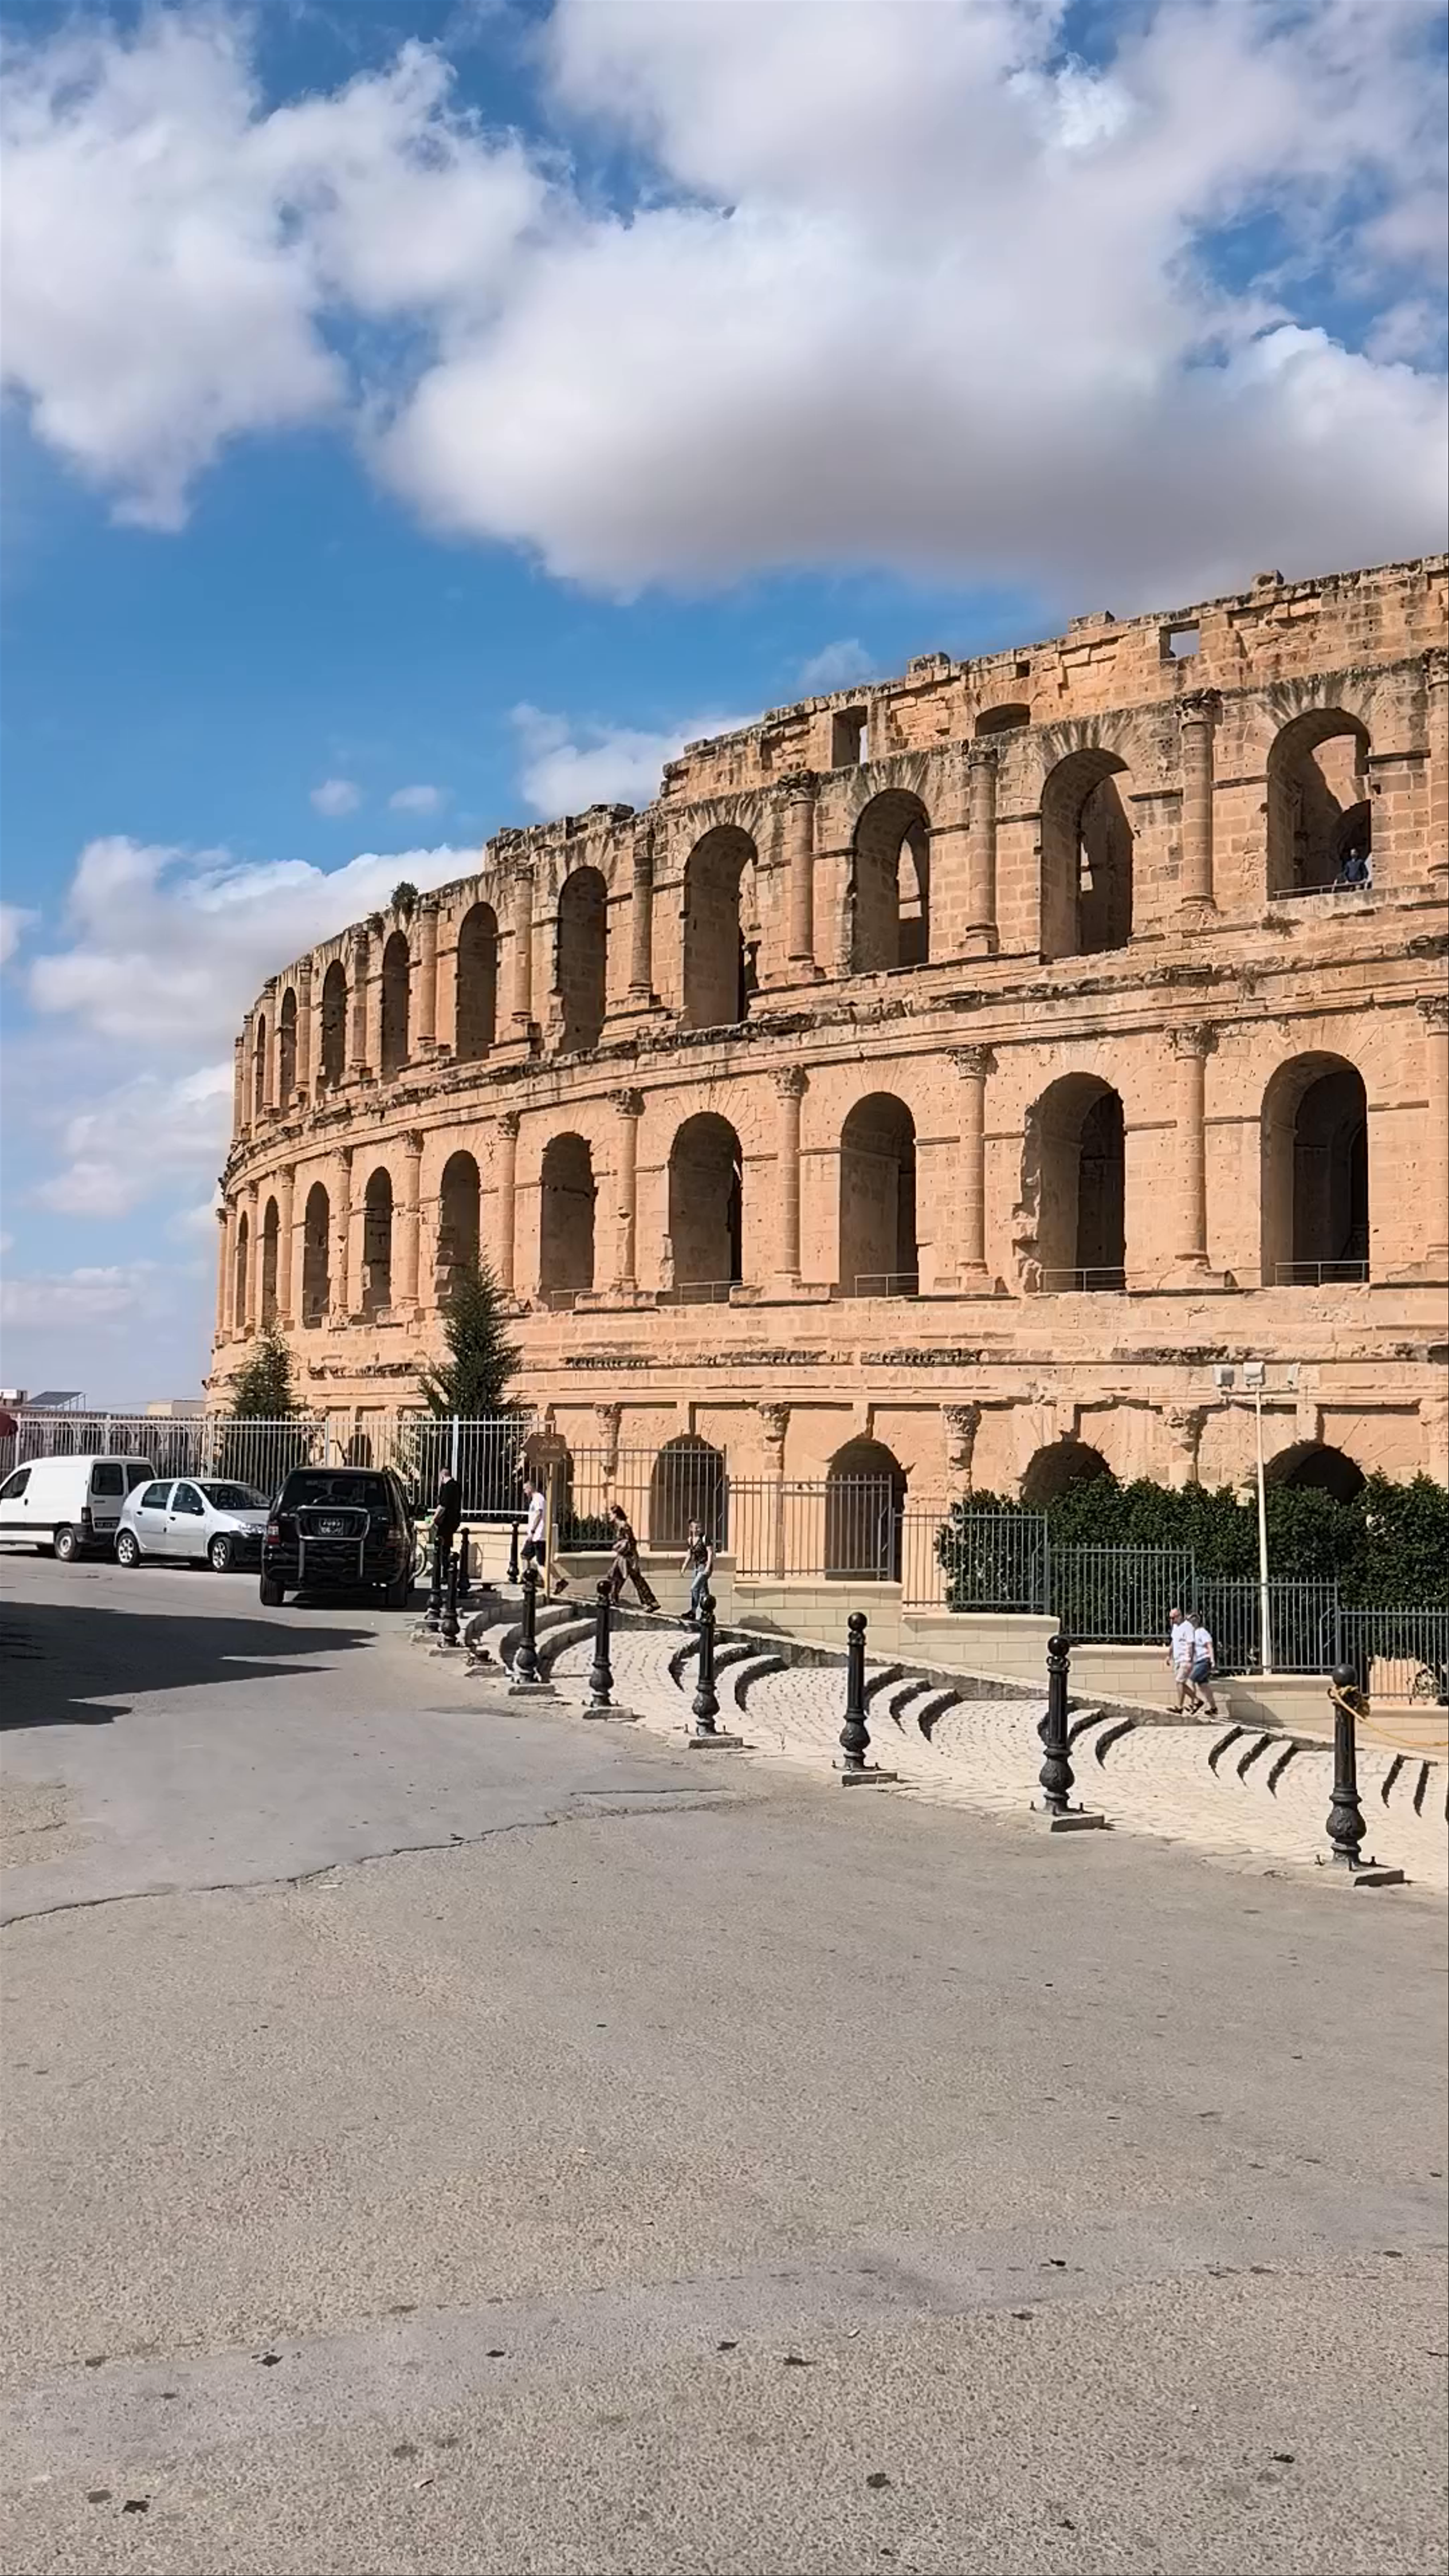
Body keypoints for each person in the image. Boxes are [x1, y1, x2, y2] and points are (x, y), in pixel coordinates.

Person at [606, 1502, 659, 1611]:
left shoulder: (624, 1526)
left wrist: (633, 1558)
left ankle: (651, 1602)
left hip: (628, 1558)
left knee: (634, 1579)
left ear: (616, 1515)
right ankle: (613, 1598)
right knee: (616, 1576)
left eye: (610, 1514)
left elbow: (631, 1542)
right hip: (624, 1557)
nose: (609, 1516)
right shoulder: (620, 1526)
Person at [680, 1519, 714, 1625]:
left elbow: (710, 1553)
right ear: (691, 1529)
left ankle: (694, 1611)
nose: (699, 1529)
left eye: (700, 1527)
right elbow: (689, 1554)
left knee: (694, 1588)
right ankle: (708, 1613)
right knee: (703, 1591)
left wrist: (708, 1568)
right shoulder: (690, 1540)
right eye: (696, 1527)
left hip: (704, 1566)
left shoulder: (705, 1538)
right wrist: (684, 1567)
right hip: (697, 1567)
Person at [1189, 1615, 1219, 1718]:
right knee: (1204, 1686)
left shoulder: (1202, 1632)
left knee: (1190, 1680)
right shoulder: (1193, 1634)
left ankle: (1194, 1704)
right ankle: (1214, 1709)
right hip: (1198, 1662)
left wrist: (1212, 1661)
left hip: (1204, 1661)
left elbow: (1209, 1646)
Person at [1168, 1606, 1196, 1714]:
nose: (1172, 1620)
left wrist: (1190, 1660)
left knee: (1179, 1682)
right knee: (1180, 1683)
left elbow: (1191, 1644)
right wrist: (1169, 1655)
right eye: (1170, 1618)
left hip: (1185, 1659)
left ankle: (1180, 1707)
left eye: (1173, 1618)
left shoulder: (1188, 1627)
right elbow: (1173, 1642)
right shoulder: (1176, 1627)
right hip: (1177, 1659)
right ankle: (1197, 1701)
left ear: (1180, 1616)